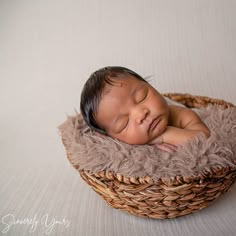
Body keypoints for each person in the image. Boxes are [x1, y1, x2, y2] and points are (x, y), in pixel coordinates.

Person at [80, 66, 210, 152]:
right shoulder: (121, 148)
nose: (141, 114)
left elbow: (204, 137)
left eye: (142, 97)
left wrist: (164, 136)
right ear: (113, 137)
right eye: (123, 123)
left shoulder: (181, 115)